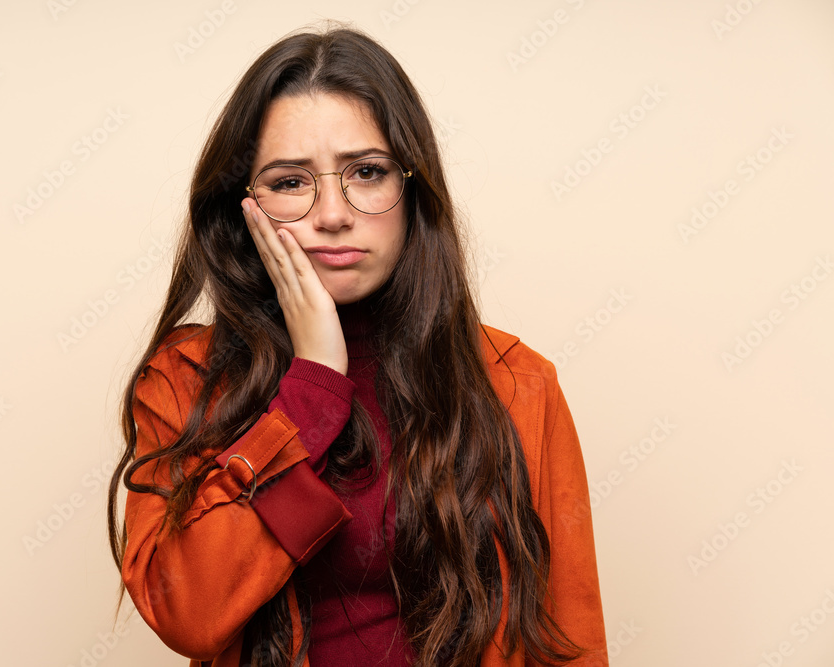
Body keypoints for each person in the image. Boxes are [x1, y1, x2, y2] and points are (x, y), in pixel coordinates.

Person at [106, 23, 607, 667]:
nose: (333, 213)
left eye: (366, 172)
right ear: (244, 207)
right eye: (290, 182)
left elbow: (570, 644)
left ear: (411, 190)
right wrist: (312, 386)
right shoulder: (184, 380)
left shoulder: (519, 383)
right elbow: (189, 616)